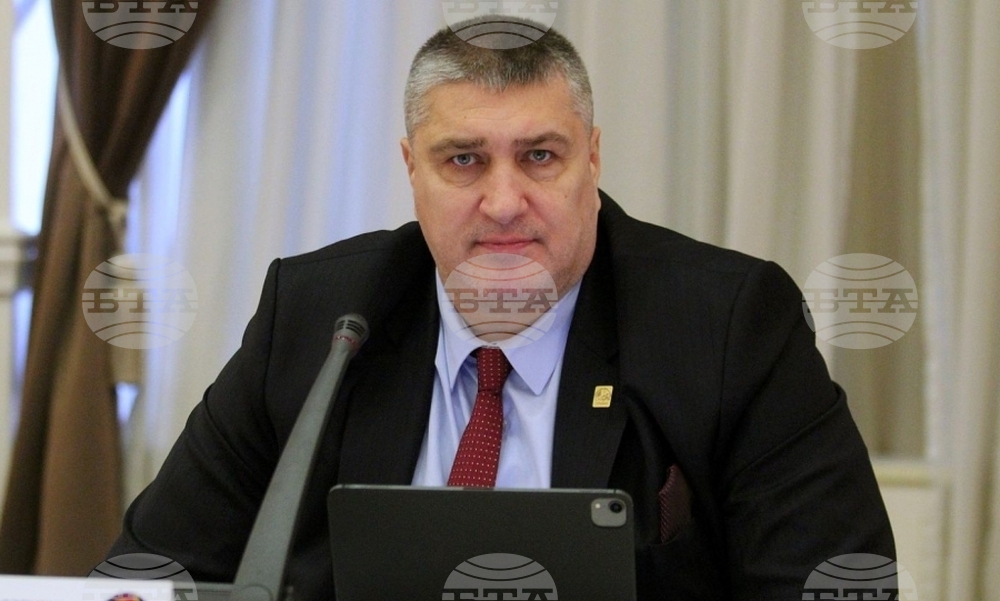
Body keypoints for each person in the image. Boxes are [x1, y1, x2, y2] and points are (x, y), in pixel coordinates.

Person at [108, 18, 895, 600]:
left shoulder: (727, 324)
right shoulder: (321, 318)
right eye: (464, 160)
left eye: (540, 156)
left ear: (593, 158)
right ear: (411, 169)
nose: (505, 201)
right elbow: (147, 573)